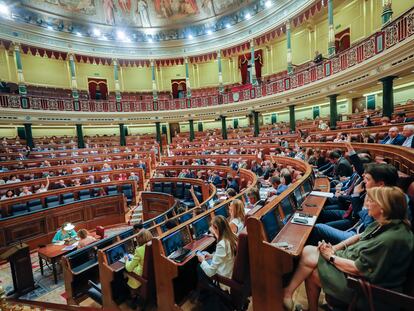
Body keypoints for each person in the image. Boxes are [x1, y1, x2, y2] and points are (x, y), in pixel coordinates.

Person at [283, 187, 414, 311]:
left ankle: (289, 294)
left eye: (371, 201)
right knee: (309, 252)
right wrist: (334, 248)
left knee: (311, 267)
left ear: (383, 208)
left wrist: (331, 256)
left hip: (371, 291)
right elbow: (360, 237)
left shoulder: (390, 239)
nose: (367, 204)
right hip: (355, 265)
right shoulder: (386, 223)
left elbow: (360, 269)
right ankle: (289, 294)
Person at [197, 215, 237, 293]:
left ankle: (206, 296)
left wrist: (202, 261)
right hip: (229, 269)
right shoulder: (232, 236)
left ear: (217, 229)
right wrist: (212, 256)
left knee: (199, 266)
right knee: (206, 253)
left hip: (224, 278)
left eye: (213, 228)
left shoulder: (222, 244)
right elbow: (226, 255)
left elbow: (210, 272)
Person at [125, 229, 153, 309]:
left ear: (140, 239)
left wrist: (127, 260)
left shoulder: (139, 250)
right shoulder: (154, 244)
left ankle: (133, 299)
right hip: (152, 273)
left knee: (126, 272)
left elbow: (129, 268)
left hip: (143, 276)